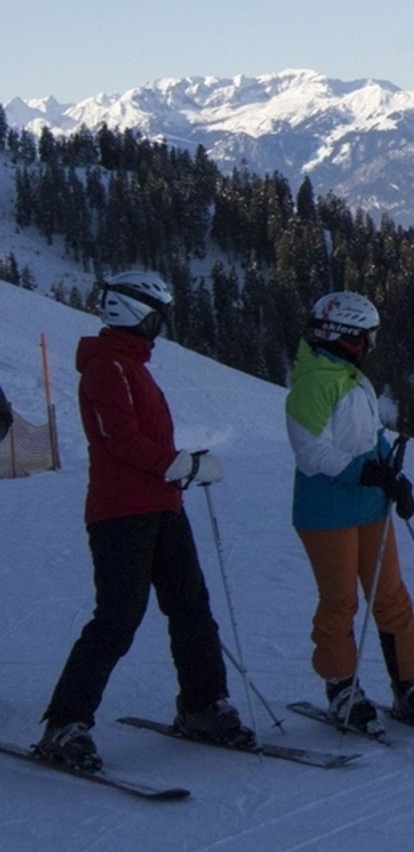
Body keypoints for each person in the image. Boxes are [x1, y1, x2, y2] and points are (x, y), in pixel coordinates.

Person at [32, 271, 254, 771]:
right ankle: (66, 723)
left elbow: (143, 441)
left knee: (191, 607)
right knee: (117, 619)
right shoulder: (106, 369)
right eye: (157, 315)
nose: (161, 325)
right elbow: (120, 440)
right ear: (132, 312)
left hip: (163, 507)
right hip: (120, 514)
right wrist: (182, 464)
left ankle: (203, 704)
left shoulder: (133, 366)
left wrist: (181, 465)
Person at [285, 290, 414, 734]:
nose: (370, 347)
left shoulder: (350, 377)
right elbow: (310, 452)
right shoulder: (312, 383)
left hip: (369, 507)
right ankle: (342, 686)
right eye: (364, 339)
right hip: (326, 512)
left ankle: (409, 682)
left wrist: (392, 474)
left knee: (391, 597)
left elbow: (371, 433)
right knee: (340, 602)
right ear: (341, 337)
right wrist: (366, 474)